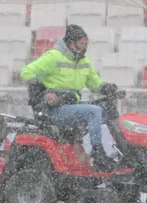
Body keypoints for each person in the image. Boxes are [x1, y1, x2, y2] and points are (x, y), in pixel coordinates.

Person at [19, 24, 122, 171]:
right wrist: (44, 91)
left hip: (70, 107)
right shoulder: (53, 56)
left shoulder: (84, 62)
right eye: (82, 43)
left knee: (106, 109)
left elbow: (94, 83)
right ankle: (99, 155)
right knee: (94, 111)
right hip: (54, 110)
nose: (85, 48)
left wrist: (108, 88)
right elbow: (26, 71)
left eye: (86, 44)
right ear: (70, 42)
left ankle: (120, 152)